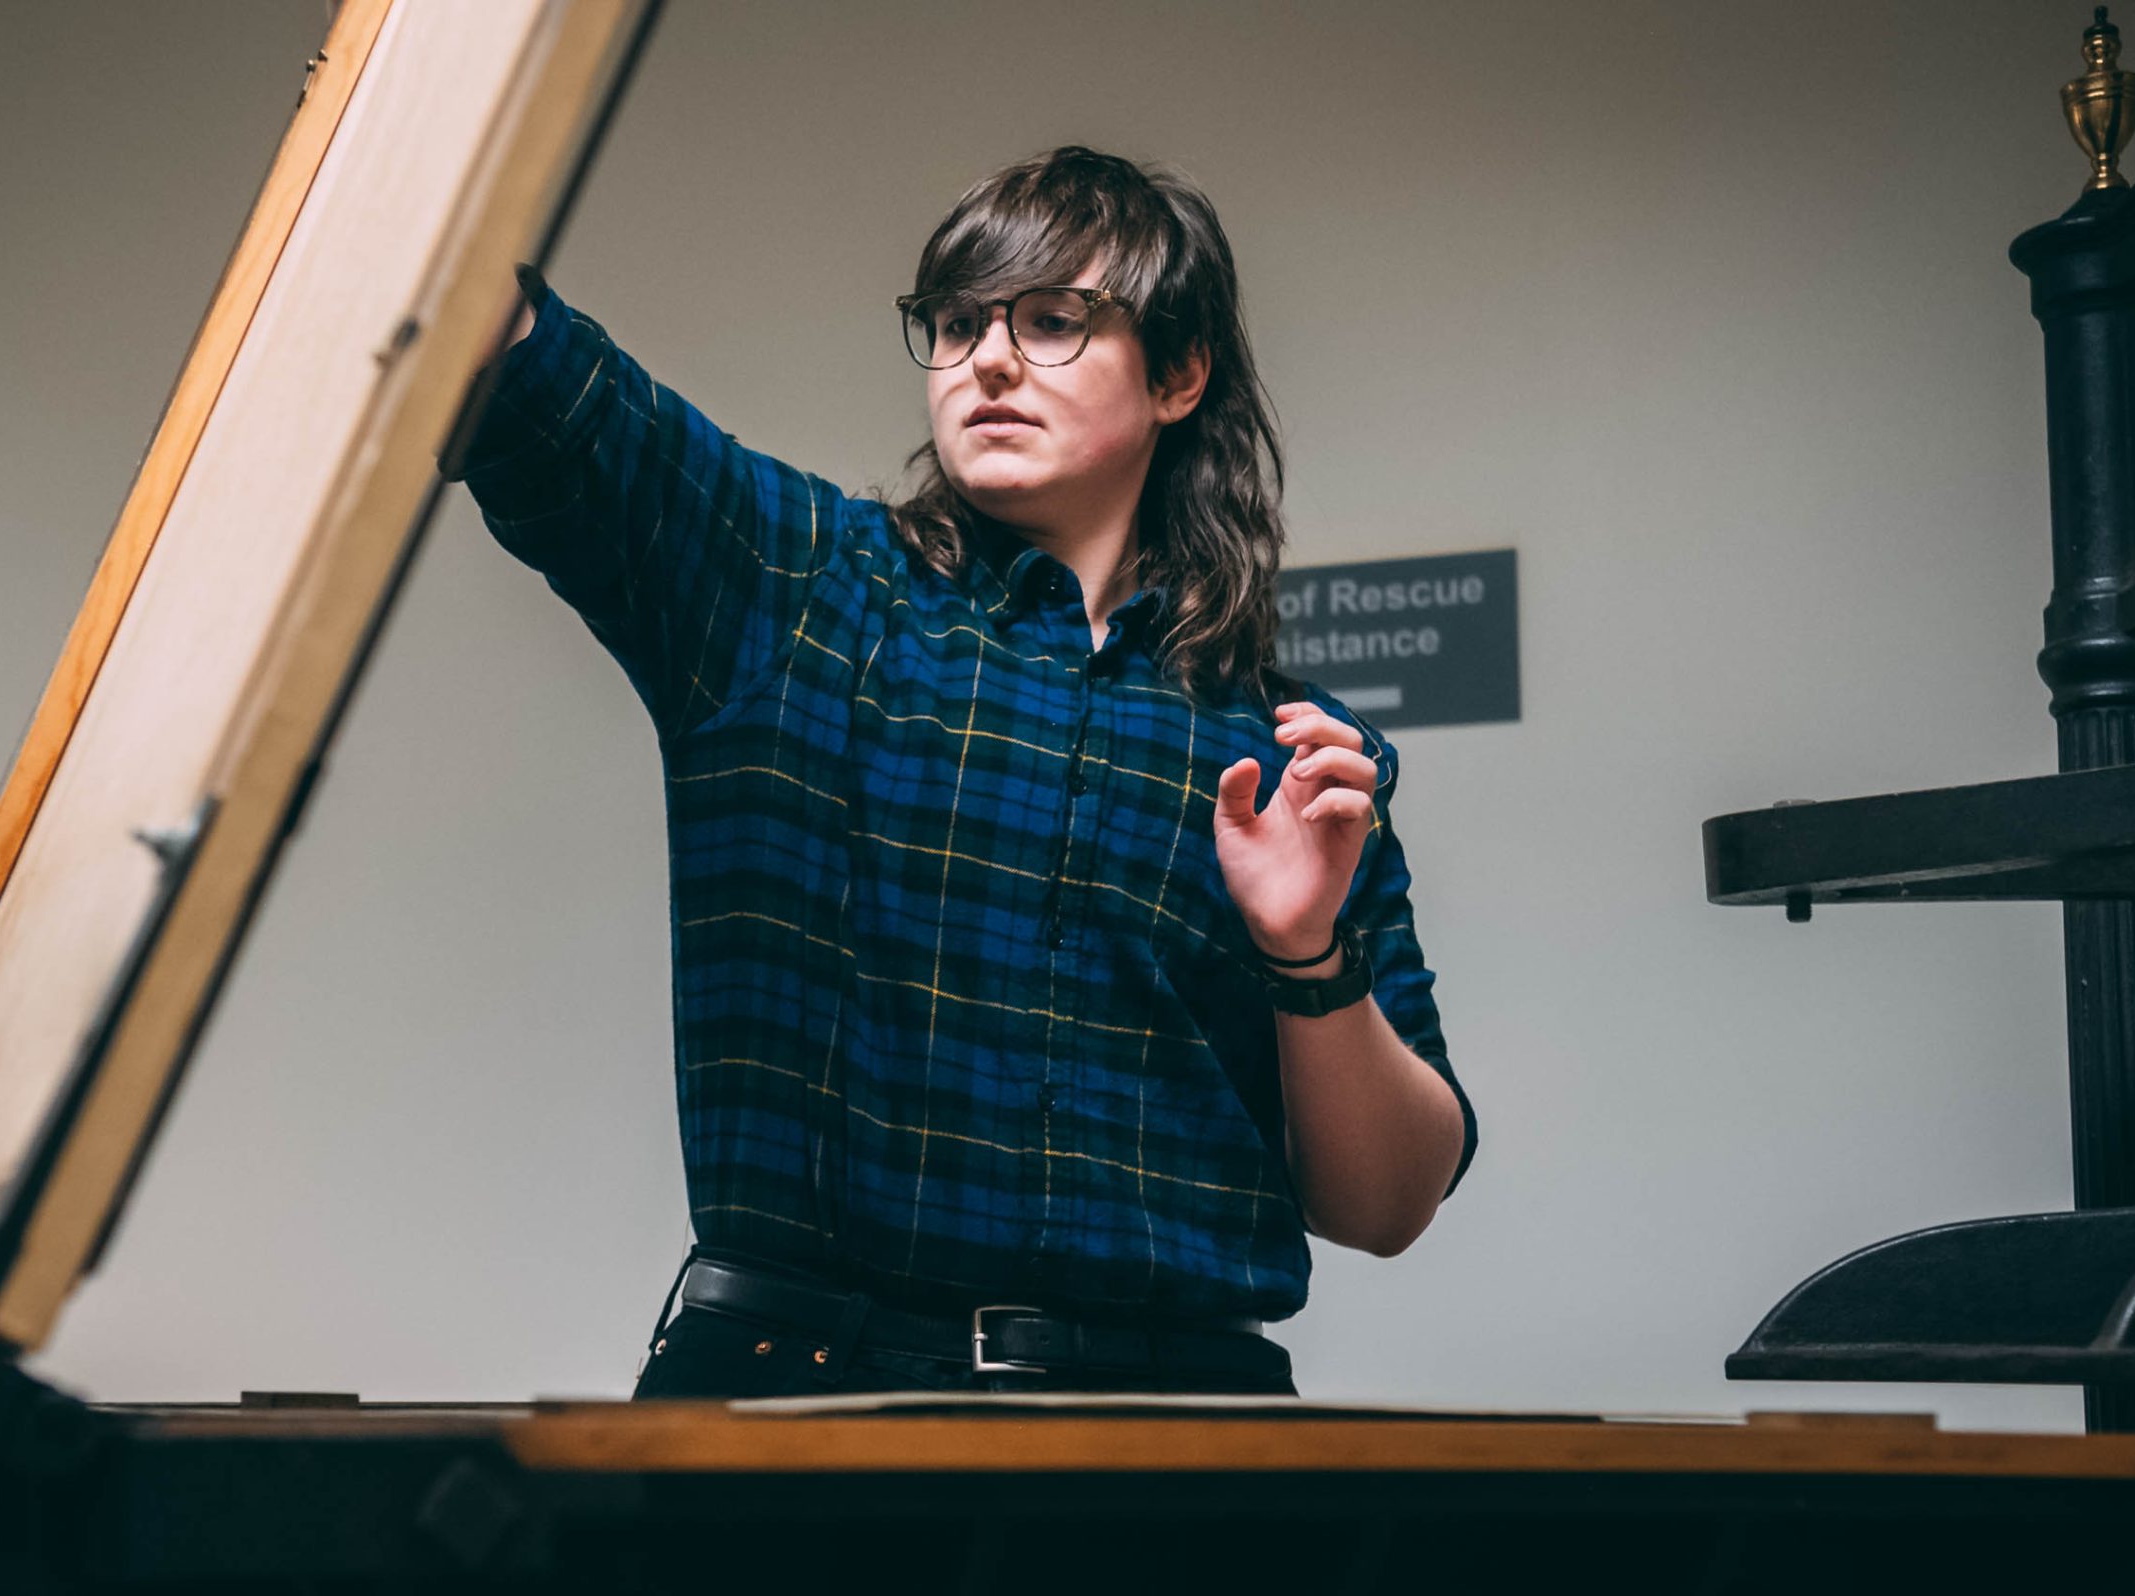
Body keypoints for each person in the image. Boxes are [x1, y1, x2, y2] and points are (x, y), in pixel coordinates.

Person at [444, 146, 1474, 1399]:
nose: (985, 360)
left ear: (1179, 372)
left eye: (1052, 322)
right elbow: (536, 378)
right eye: (953, 323)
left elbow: (1387, 1201)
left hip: (1183, 1437)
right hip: (807, 1405)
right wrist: (417, 155)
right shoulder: (800, 590)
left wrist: (1306, 949)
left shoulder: (1288, 751)